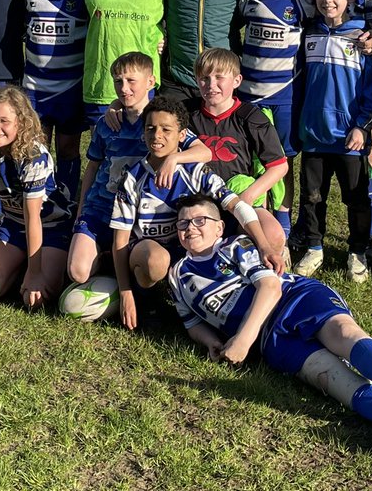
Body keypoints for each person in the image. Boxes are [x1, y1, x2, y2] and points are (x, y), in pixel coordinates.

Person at [167, 194, 372, 459]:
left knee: (341, 332)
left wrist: (242, 340)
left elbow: (270, 287)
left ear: (219, 227)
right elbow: (191, 322)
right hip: (270, 339)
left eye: (200, 220)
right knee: (330, 377)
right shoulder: (178, 274)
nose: (190, 228)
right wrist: (210, 342)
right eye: (183, 223)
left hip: (294, 298)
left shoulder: (235, 245)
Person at [111, 96, 261, 331]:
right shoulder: (132, 179)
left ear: (182, 136)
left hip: (189, 253)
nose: (157, 135)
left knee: (258, 233)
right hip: (151, 253)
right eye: (150, 128)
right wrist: (126, 292)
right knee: (155, 261)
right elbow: (120, 242)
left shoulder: (195, 171)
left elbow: (235, 205)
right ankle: (150, 302)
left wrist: (265, 245)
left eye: (166, 129)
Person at [67, 52, 210, 286]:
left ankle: (121, 270)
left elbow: (205, 152)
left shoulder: (159, 121)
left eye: (131, 81)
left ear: (151, 82)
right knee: (77, 272)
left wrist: (174, 159)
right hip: (102, 208)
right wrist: (82, 211)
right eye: (118, 81)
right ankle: (106, 260)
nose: (124, 89)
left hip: (138, 215)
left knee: (144, 265)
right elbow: (92, 167)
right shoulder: (108, 122)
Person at [291, 0, 372, 282]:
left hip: (349, 137)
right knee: (312, 197)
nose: (327, 0)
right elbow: (301, 84)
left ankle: (357, 252)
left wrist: (361, 126)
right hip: (315, 135)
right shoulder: (310, 33)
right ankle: (314, 247)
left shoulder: (363, 37)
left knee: (356, 197)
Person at [0, 86, 75, 309]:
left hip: (50, 227)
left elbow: (33, 217)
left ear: (20, 122)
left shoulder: (34, 155)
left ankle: (34, 267)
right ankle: (14, 265)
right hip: (13, 226)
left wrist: (35, 274)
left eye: (4, 121)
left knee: (35, 301)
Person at [238, 0, 312, 239]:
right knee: (255, 160)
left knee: (284, 162)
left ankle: (284, 221)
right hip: (250, 95)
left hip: (285, 96)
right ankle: (260, 220)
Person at [186, 48, 288, 271]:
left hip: (241, 196)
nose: (211, 84)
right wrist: (116, 108)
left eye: (219, 77)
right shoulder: (186, 114)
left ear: (237, 80)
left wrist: (247, 197)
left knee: (273, 235)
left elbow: (279, 166)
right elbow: (149, 113)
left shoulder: (250, 117)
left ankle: (261, 280)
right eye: (204, 78)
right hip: (200, 199)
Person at [23, 0, 88, 196]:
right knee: (35, 148)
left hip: (71, 85)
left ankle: (67, 201)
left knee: (67, 148)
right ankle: (41, 204)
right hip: (35, 84)